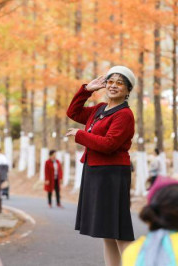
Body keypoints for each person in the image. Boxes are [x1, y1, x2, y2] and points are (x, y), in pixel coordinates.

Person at [66, 66, 136, 266]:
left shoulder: (124, 115)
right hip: (95, 170)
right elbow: (73, 112)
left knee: (119, 229)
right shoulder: (99, 109)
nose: (113, 86)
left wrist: (80, 135)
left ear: (128, 89)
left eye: (119, 83)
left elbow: (109, 144)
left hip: (112, 173)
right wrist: (87, 90)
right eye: (110, 81)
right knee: (107, 230)